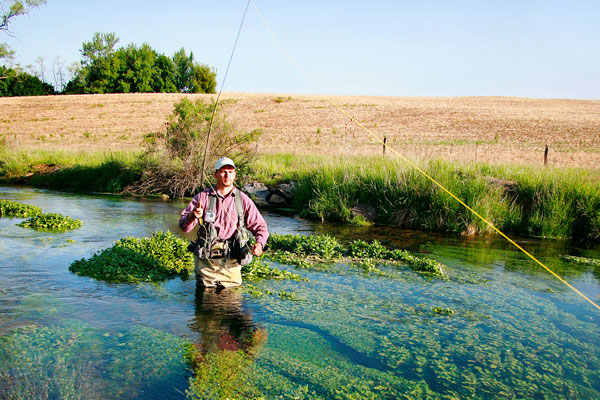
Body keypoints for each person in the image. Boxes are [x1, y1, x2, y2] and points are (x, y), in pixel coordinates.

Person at [179, 157, 269, 288]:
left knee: (232, 303)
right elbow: (183, 227)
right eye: (223, 171)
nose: (227, 175)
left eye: (230, 171)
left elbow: (260, 227)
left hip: (232, 265)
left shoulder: (243, 200)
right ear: (215, 174)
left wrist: (260, 244)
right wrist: (192, 216)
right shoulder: (202, 198)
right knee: (205, 305)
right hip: (206, 265)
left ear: (235, 175)